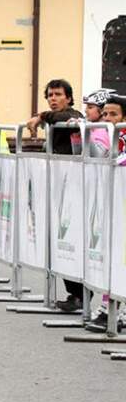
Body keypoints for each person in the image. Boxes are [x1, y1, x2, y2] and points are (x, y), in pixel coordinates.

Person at [25, 79, 85, 312]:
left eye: (58, 94)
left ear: (68, 98)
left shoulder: (72, 115)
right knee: (60, 246)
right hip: (57, 190)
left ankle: (80, 296)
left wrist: (40, 116)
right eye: (49, 95)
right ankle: (74, 295)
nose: (53, 98)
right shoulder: (55, 119)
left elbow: (64, 119)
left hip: (72, 190)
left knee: (70, 244)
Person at [84, 93, 126, 332]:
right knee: (113, 258)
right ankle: (108, 308)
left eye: (114, 114)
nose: (107, 118)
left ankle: (116, 311)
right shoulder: (112, 138)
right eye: (105, 114)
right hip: (114, 206)